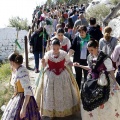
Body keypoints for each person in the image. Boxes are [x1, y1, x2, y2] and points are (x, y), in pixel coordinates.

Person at [74, 40, 120, 120]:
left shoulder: (104, 58)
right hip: (92, 80)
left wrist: (115, 82)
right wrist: (80, 66)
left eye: (92, 50)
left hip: (103, 81)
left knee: (107, 100)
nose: (90, 52)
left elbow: (111, 70)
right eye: (89, 50)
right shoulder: (90, 57)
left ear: (97, 47)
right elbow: (91, 68)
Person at [35, 38, 80, 118]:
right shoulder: (48, 54)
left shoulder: (64, 54)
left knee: (64, 93)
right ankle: (51, 112)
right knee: (50, 94)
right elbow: (45, 65)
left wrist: (73, 64)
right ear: (51, 47)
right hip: (51, 76)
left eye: (57, 48)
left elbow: (68, 62)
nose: (55, 50)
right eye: (54, 48)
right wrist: (43, 63)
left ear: (60, 47)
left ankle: (64, 110)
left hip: (63, 75)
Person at [2, 53, 41, 120]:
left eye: (10, 63)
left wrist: (23, 108)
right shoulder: (18, 69)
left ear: (12, 62)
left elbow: (28, 91)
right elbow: (15, 84)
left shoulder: (22, 72)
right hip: (18, 97)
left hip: (25, 98)